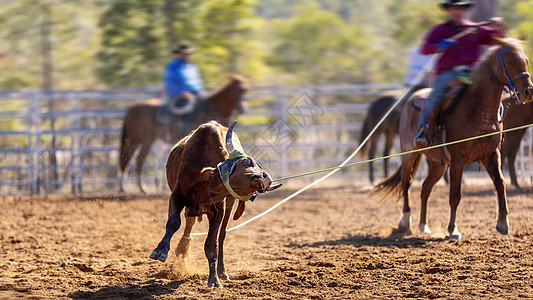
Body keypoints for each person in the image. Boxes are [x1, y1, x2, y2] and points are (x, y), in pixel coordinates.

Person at [413, 0, 506, 148]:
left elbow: (499, 39)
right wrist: (438, 45)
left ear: (464, 10)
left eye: (460, 8)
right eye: (454, 8)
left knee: (493, 94)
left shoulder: (474, 29)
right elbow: (424, 49)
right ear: (448, 10)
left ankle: (495, 132)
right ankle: (423, 132)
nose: (457, 11)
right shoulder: (440, 30)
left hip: (472, 72)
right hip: (447, 73)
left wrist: (499, 26)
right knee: (435, 96)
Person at [162, 44, 205, 115]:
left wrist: (199, 91)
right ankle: (186, 126)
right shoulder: (172, 66)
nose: (186, 55)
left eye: (187, 54)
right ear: (179, 54)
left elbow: (197, 82)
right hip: (180, 96)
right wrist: (180, 93)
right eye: (183, 53)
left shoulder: (192, 66)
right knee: (189, 111)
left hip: (196, 94)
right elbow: (169, 82)